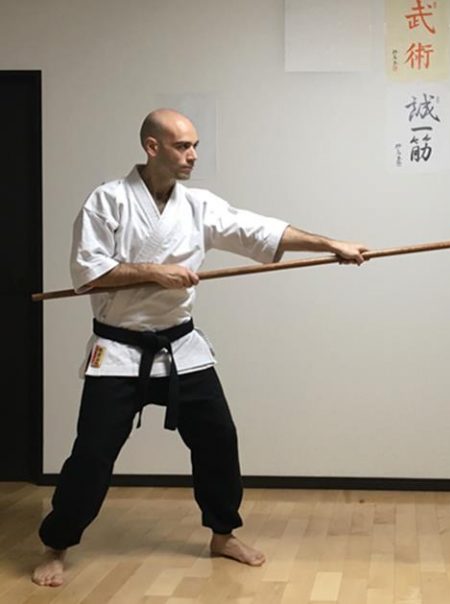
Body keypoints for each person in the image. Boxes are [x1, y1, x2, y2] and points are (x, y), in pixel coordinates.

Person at [32, 108, 368, 587]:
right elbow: (87, 274)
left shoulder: (199, 206)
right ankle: (57, 543)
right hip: (119, 350)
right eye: (181, 147)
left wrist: (331, 244)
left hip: (179, 346)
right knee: (91, 454)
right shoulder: (107, 202)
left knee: (218, 438)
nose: (192, 156)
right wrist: (153, 271)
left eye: (194, 146)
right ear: (152, 147)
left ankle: (223, 533)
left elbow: (263, 231)